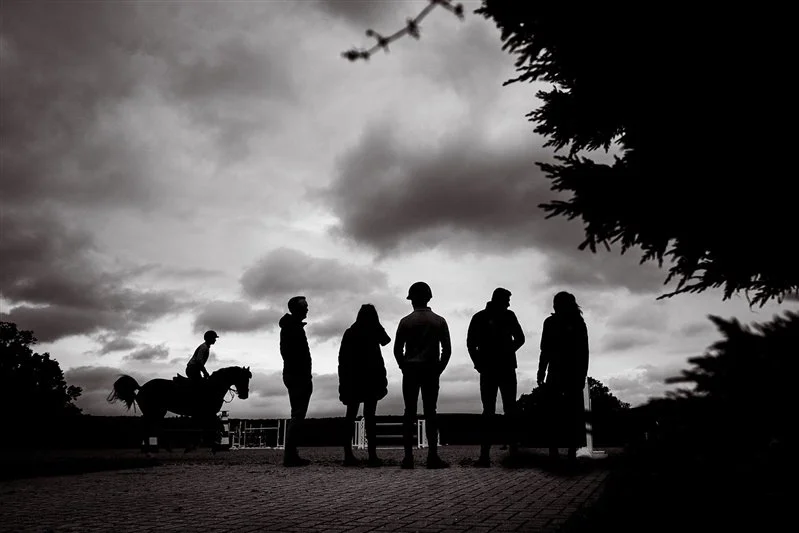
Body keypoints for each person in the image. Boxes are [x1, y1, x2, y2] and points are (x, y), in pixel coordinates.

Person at [394, 281, 452, 469]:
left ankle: (408, 458)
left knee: (408, 413)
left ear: (412, 300)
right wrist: (439, 368)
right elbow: (447, 349)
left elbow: (397, 350)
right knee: (431, 413)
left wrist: (404, 366)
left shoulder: (405, 321)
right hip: (431, 370)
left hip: (410, 370)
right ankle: (432, 457)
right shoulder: (439, 321)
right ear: (428, 297)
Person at [467, 287, 526, 467]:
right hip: (505, 367)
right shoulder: (508, 316)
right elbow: (521, 339)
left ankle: (485, 456)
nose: (509, 304)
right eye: (507, 300)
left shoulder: (479, 317)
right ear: (500, 300)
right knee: (509, 409)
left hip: (489, 369)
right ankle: (512, 453)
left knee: (489, 411)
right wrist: (508, 351)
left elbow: (471, 344)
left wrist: (478, 362)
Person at [537, 291, 589, 463]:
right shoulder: (567, 322)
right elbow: (545, 350)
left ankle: (564, 451)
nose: (554, 306)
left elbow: (583, 352)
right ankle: (563, 451)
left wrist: (541, 370)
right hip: (564, 372)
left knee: (563, 413)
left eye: (556, 303)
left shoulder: (568, 323)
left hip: (565, 373)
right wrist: (541, 370)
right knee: (562, 413)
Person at [338, 304, 391, 467]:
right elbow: (386, 340)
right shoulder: (374, 330)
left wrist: (343, 382)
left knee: (350, 416)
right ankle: (372, 456)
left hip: (354, 379)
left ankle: (348, 454)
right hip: (371, 379)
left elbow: (342, 359)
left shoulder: (350, 332)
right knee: (370, 417)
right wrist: (377, 323)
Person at [279, 295, 313, 467]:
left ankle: (292, 454)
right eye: (305, 306)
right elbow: (289, 354)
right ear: (296, 309)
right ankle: (290, 456)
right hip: (298, 376)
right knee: (298, 414)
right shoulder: (292, 328)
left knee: (297, 414)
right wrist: (304, 375)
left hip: (296, 375)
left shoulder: (292, 327)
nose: (307, 309)